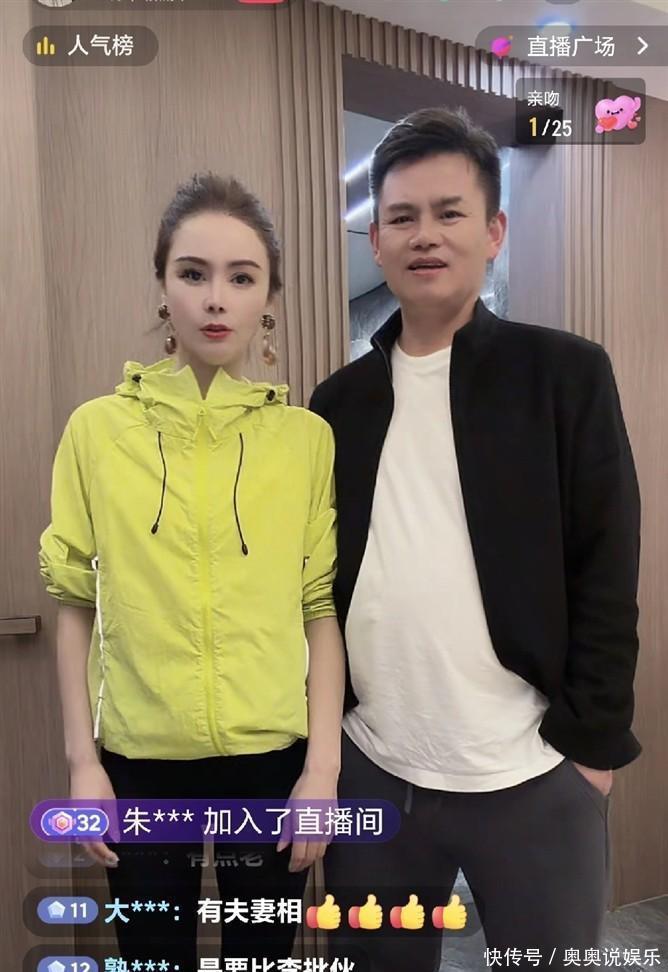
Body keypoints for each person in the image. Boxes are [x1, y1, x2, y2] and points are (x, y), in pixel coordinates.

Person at [310, 108, 641, 971]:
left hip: (532, 771)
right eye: (402, 216)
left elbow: (608, 564)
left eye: (449, 212)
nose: (425, 234)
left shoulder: (563, 373)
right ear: (376, 240)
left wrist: (591, 749)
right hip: (375, 767)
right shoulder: (336, 405)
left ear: (493, 232)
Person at [39, 172, 345, 967]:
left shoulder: (305, 440)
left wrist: (321, 770)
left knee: (259, 956)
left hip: (271, 762)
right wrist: (83, 763)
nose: (215, 299)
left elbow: (318, 607)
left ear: (268, 298)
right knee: (154, 954)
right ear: (162, 286)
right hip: (139, 763)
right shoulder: (97, 433)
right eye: (193, 273)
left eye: (241, 278)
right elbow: (75, 600)